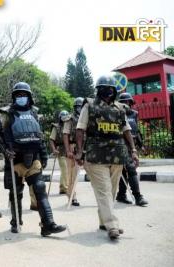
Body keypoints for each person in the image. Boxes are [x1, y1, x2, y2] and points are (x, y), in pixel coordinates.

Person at [75, 75, 139, 240]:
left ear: (115, 91)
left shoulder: (119, 108)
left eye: (111, 88)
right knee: (104, 191)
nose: (108, 91)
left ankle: (104, 222)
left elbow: (126, 131)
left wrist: (133, 150)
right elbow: (80, 130)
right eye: (104, 88)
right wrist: (80, 152)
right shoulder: (89, 106)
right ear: (98, 90)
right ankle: (113, 225)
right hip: (95, 155)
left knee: (110, 191)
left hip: (117, 156)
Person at [0, 82, 66, 236]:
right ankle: (16, 222)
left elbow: (39, 136)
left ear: (29, 97)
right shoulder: (6, 114)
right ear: (14, 97)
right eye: (18, 95)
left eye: (24, 95)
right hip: (15, 160)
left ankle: (48, 224)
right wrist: (5, 151)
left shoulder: (34, 113)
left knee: (40, 189)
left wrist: (43, 155)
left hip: (33, 158)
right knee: (16, 193)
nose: (21, 97)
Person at [116, 92, 148, 206]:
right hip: (121, 145)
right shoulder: (117, 113)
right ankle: (138, 197)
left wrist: (141, 145)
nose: (126, 104)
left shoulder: (134, 114)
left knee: (125, 171)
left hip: (132, 145)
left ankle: (121, 195)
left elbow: (136, 131)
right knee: (131, 169)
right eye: (123, 102)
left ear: (131, 102)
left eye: (128, 102)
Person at [62, 97, 85, 206]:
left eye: (82, 107)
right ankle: (72, 197)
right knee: (72, 175)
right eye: (78, 107)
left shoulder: (87, 118)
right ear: (75, 107)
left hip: (86, 147)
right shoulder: (69, 119)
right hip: (73, 147)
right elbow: (65, 134)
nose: (80, 109)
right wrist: (68, 150)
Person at [49, 110, 70, 195]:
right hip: (60, 150)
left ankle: (63, 187)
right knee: (64, 169)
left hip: (70, 150)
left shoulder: (70, 126)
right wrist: (54, 149)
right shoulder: (56, 127)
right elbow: (51, 139)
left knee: (67, 170)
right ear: (60, 118)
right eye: (63, 118)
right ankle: (65, 188)